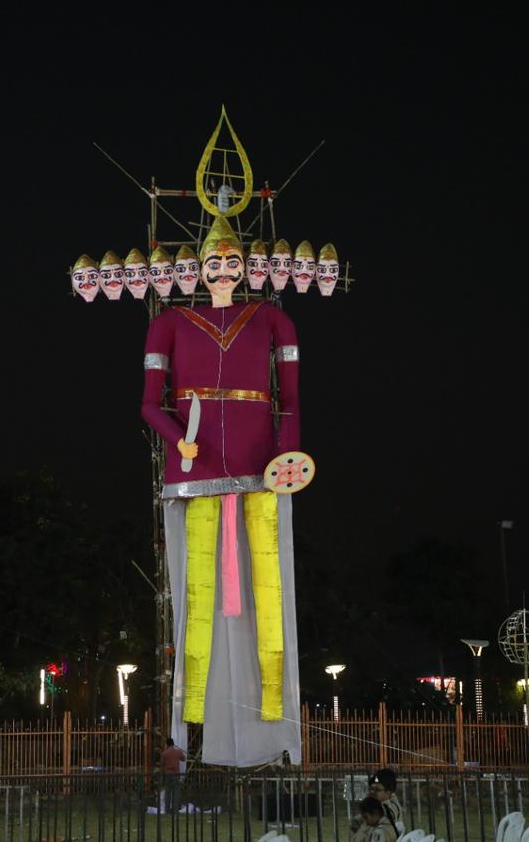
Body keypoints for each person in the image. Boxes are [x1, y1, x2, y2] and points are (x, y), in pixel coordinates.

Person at [142, 208, 308, 766]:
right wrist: (177, 440)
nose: (222, 270)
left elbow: (291, 401)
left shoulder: (272, 321)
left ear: (245, 267)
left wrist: (288, 454)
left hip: (262, 466)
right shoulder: (169, 322)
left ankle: (274, 720)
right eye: (213, 261)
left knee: (271, 588)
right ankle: (191, 719)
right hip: (197, 468)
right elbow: (148, 403)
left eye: (232, 261)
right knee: (196, 595)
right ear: (199, 266)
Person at [368, 768, 406, 835]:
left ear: (388, 791)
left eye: (377, 790)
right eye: (371, 789)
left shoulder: (388, 808)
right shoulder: (382, 802)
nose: (372, 792)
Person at [160, 737, 187, 813]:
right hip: (176, 774)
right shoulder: (177, 752)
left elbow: (161, 764)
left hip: (167, 775)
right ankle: (175, 810)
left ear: (167, 744)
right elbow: (183, 759)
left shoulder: (164, 753)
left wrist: (162, 775)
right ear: (173, 743)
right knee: (176, 792)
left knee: (167, 793)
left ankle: (167, 810)